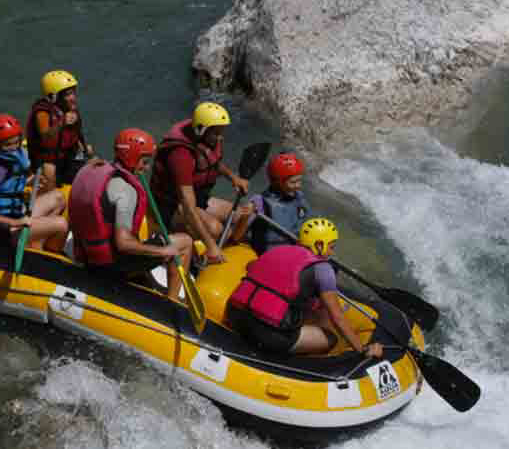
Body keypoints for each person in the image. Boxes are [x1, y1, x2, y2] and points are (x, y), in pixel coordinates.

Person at [227, 218, 383, 357]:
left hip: (235, 316)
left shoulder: (276, 250)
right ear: (320, 245)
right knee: (330, 338)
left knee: (310, 308)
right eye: (331, 246)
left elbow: (251, 267)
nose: (331, 252)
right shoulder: (323, 269)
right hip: (268, 335)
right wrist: (363, 349)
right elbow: (337, 318)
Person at [69, 128, 193, 301]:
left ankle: (146, 282)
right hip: (110, 265)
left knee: (145, 247)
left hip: (86, 256)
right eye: (144, 161)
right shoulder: (126, 191)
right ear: (132, 157)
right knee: (184, 242)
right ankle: (172, 302)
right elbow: (124, 244)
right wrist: (162, 250)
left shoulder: (94, 169)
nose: (147, 167)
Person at [149, 102, 249, 264]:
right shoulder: (180, 154)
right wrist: (211, 246)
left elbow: (211, 161)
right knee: (215, 229)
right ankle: (207, 256)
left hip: (198, 198)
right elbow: (188, 206)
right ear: (201, 130)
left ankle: (228, 244)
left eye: (221, 132)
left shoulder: (207, 138)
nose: (220, 137)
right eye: (216, 133)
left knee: (242, 216)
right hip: (171, 206)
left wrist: (233, 178)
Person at [0, 114, 67, 252]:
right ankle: (47, 256)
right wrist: (16, 223)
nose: (14, 148)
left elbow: (6, 187)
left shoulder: (10, 159)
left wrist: (28, 182)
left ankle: (36, 244)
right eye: (8, 144)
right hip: (1, 230)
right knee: (61, 224)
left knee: (58, 197)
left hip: (15, 215)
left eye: (16, 142)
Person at [26, 70, 93, 192]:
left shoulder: (70, 110)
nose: (73, 98)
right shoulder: (42, 113)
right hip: (46, 161)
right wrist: (61, 123)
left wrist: (87, 153)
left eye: (73, 93)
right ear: (54, 97)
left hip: (66, 159)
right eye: (67, 94)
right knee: (49, 168)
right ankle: (46, 194)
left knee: (92, 170)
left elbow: (77, 134)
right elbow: (45, 137)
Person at [230, 151, 310, 253]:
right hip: (267, 255)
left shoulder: (299, 197)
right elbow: (236, 238)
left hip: (291, 252)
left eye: (299, 180)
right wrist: (245, 217)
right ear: (277, 181)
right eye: (293, 182)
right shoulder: (259, 202)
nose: (298, 185)